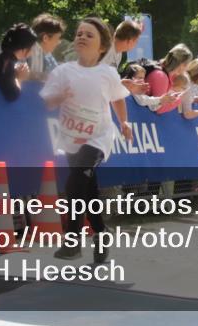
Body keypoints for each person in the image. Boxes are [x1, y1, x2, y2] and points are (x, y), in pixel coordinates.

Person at [43, 16, 132, 264]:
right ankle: (101, 234)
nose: (82, 36)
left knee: (76, 181)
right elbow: (48, 101)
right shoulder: (64, 71)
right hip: (72, 137)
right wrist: (59, 96)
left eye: (89, 34)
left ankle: (72, 241)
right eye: (79, 33)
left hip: (99, 137)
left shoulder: (108, 73)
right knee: (87, 188)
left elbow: (118, 98)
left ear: (102, 47)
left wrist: (124, 122)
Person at [27, 13, 65, 80]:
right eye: (58, 38)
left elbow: (57, 72)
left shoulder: (47, 54)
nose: (59, 42)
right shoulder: (28, 51)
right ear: (45, 38)